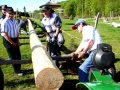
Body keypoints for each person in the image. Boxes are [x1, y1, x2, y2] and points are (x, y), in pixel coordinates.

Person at [1, 7, 23, 76]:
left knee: (18, 55)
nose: (11, 15)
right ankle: (17, 71)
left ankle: (19, 69)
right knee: (13, 56)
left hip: (14, 39)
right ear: (6, 13)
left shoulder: (15, 21)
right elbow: (5, 34)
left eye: (12, 13)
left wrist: (17, 41)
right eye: (9, 13)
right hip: (8, 40)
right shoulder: (4, 22)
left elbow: (17, 32)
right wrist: (12, 43)